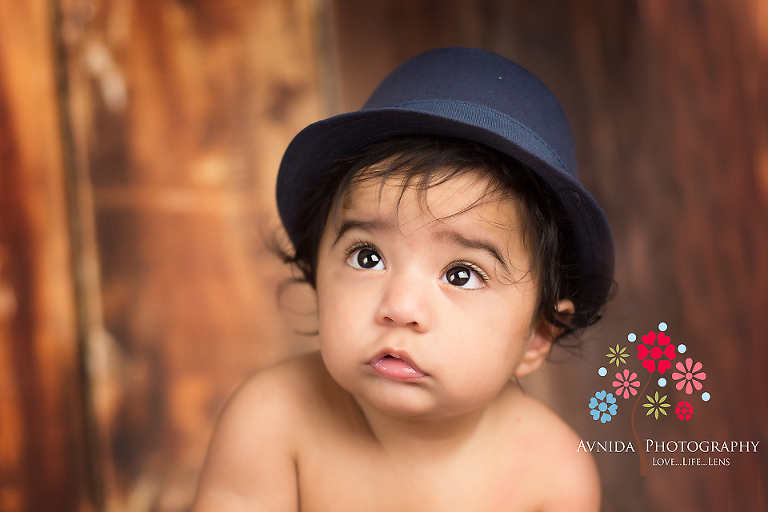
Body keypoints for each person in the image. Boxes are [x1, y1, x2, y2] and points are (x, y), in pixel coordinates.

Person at [193, 47, 614, 511]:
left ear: (536, 336)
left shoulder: (552, 476)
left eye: (460, 274)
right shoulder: (272, 419)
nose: (401, 307)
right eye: (368, 257)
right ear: (318, 275)